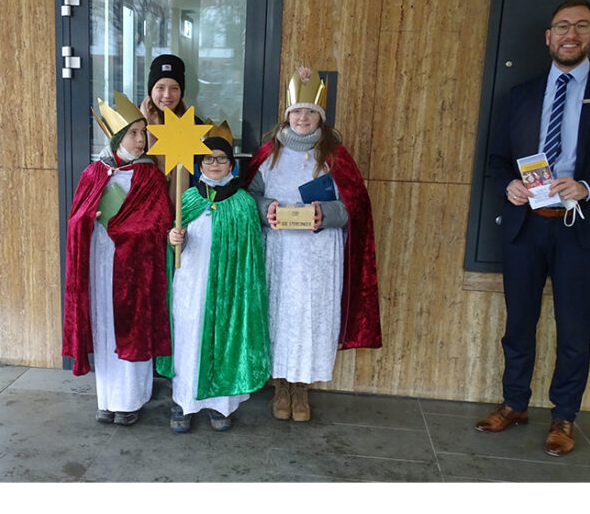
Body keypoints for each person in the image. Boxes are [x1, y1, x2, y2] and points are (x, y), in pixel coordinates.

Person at [481, 0, 590, 456]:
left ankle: (564, 417)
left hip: (580, 228)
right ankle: (514, 404)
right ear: (548, 37)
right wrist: (510, 185)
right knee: (519, 322)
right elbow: (496, 161)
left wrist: (588, 186)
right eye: (561, 27)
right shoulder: (521, 94)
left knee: (574, 328)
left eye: (580, 26)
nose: (569, 34)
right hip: (525, 226)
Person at [244, 68, 382, 422]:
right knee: (279, 314)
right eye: (296, 112)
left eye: (310, 112)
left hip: (319, 254)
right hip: (278, 252)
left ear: (320, 117)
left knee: (308, 317)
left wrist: (326, 213)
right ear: (286, 116)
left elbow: (355, 205)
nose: (302, 118)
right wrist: (266, 209)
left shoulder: (334, 156)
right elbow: (250, 197)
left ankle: (302, 389)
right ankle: (281, 386)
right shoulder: (268, 154)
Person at [62, 91, 172, 426]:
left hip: (135, 267)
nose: (141, 140)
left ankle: (131, 399)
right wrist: (88, 218)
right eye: (133, 134)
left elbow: (160, 221)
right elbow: (74, 220)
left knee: (131, 326)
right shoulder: (93, 173)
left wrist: (125, 228)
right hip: (100, 262)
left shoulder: (150, 175)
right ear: (116, 139)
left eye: (143, 133)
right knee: (105, 323)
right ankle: (107, 399)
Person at [157, 124, 271, 433]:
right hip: (189, 287)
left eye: (222, 159)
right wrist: (173, 239)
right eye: (208, 159)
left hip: (227, 289)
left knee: (222, 339)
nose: (215, 164)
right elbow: (169, 246)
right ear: (199, 164)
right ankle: (183, 402)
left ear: (232, 164)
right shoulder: (189, 199)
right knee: (188, 339)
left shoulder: (244, 203)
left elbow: (250, 256)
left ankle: (221, 406)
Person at [140, 54, 192, 203]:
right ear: (151, 90)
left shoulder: (193, 123)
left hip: (183, 211)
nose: (167, 95)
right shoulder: (134, 122)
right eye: (160, 88)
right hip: (144, 206)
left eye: (174, 88)